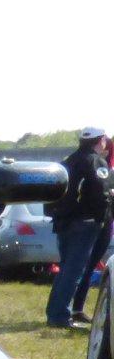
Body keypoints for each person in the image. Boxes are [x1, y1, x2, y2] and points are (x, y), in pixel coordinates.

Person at [46, 127, 113, 329]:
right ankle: (60, 316)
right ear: (100, 141)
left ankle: (54, 311)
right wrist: (102, 215)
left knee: (66, 268)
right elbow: (101, 192)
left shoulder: (67, 161)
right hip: (85, 222)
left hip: (64, 221)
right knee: (73, 271)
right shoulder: (95, 162)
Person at [74, 135, 114, 322]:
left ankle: (77, 307)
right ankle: (74, 307)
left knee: (89, 265)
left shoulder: (104, 165)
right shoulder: (97, 165)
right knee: (83, 264)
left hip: (106, 220)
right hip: (97, 219)